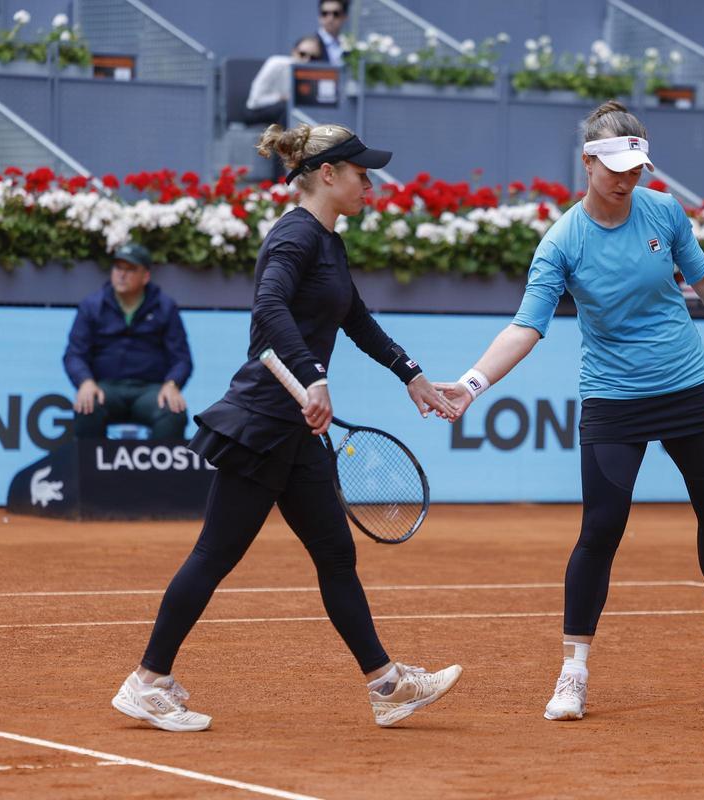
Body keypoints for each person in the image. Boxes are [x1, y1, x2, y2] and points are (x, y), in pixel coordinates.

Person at [435, 100, 704, 722]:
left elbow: (703, 280)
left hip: (686, 386)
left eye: (638, 167)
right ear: (588, 162)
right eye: (617, 167)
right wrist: (472, 383)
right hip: (614, 400)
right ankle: (573, 672)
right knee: (600, 531)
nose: (629, 179)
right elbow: (526, 327)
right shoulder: (562, 241)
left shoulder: (664, 211)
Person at [111, 122, 463, 732]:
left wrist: (412, 374)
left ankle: (386, 685)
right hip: (263, 424)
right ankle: (146, 682)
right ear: (327, 174)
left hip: (298, 429)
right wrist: (314, 376)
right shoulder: (294, 236)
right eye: (361, 174)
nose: (370, 185)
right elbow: (268, 308)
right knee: (215, 554)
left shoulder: (329, 241)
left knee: (335, 553)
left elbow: (356, 318)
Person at [64, 242, 191, 440]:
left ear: (145, 276)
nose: (122, 274)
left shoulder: (165, 307)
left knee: (172, 412)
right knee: (87, 406)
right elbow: (74, 354)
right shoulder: (92, 305)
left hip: (150, 391)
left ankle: (158, 471)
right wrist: (85, 382)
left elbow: (182, 359)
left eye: (130, 269)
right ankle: (91, 471)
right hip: (106, 388)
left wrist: (172, 385)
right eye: (118, 268)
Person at [244, 34, 325, 127]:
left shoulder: (317, 74)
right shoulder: (276, 64)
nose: (307, 61)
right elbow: (255, 101)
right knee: (287, 108)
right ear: (294, 52)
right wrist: (280, 98)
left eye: (313, 58)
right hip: (256, 111)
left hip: (289, 113)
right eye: (302, 54)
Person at [315, 0, 347, 64]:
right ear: (319, 17)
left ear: (344, 17)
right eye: (324, 13)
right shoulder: (311, 44)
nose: (330, 18)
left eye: (336, 14)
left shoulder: (350, 45)